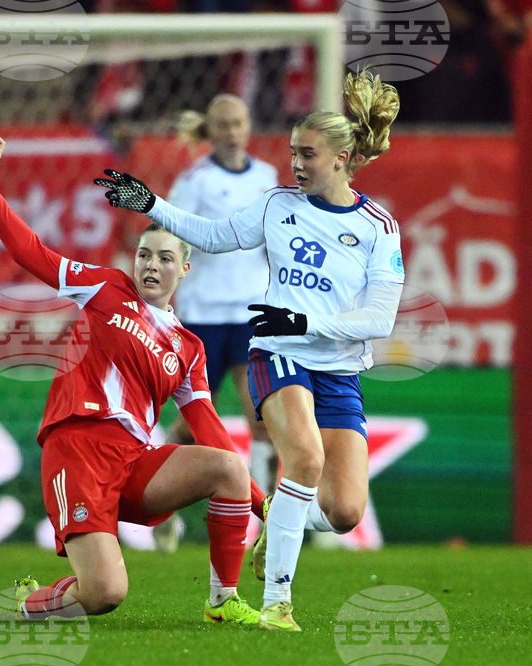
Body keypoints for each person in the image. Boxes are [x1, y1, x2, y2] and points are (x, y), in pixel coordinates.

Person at [94, 69, 403, 631]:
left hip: (337, 369)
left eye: (307, 153)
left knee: (343, 512)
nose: (296, 164)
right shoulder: (277, 204)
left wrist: (307, 318)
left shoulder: (379, 227)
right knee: (303, 458)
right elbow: (212, 237)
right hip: (278, 350)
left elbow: (379, 317)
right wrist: (151, 203)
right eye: (292, 152)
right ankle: (277, 604)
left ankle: (278, 517)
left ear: (341, 157)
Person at [0, 129, 266, 625]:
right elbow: (32, 254)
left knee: (229, 468)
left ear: (186, 268)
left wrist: (262, 505)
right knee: (106, 593)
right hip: (79, 449)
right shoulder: (104, 288)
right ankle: (26, 605)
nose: (152, 266)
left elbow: (210, 429)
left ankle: (223, 602)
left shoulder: (188, 349)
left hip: (133, 461)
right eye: (145, 255)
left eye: (165, 258)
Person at [153, 96, 279, 555]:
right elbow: (171, 236)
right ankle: (160, 511)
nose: (232, 132)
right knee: (192, 427)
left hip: (251, 315)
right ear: (211, 130)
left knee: (262, 419)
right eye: (223, 124)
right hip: (204, 314)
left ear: (249, 126)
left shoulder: (267, 178)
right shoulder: (195, 182)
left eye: (239, 123)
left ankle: (264, 527)